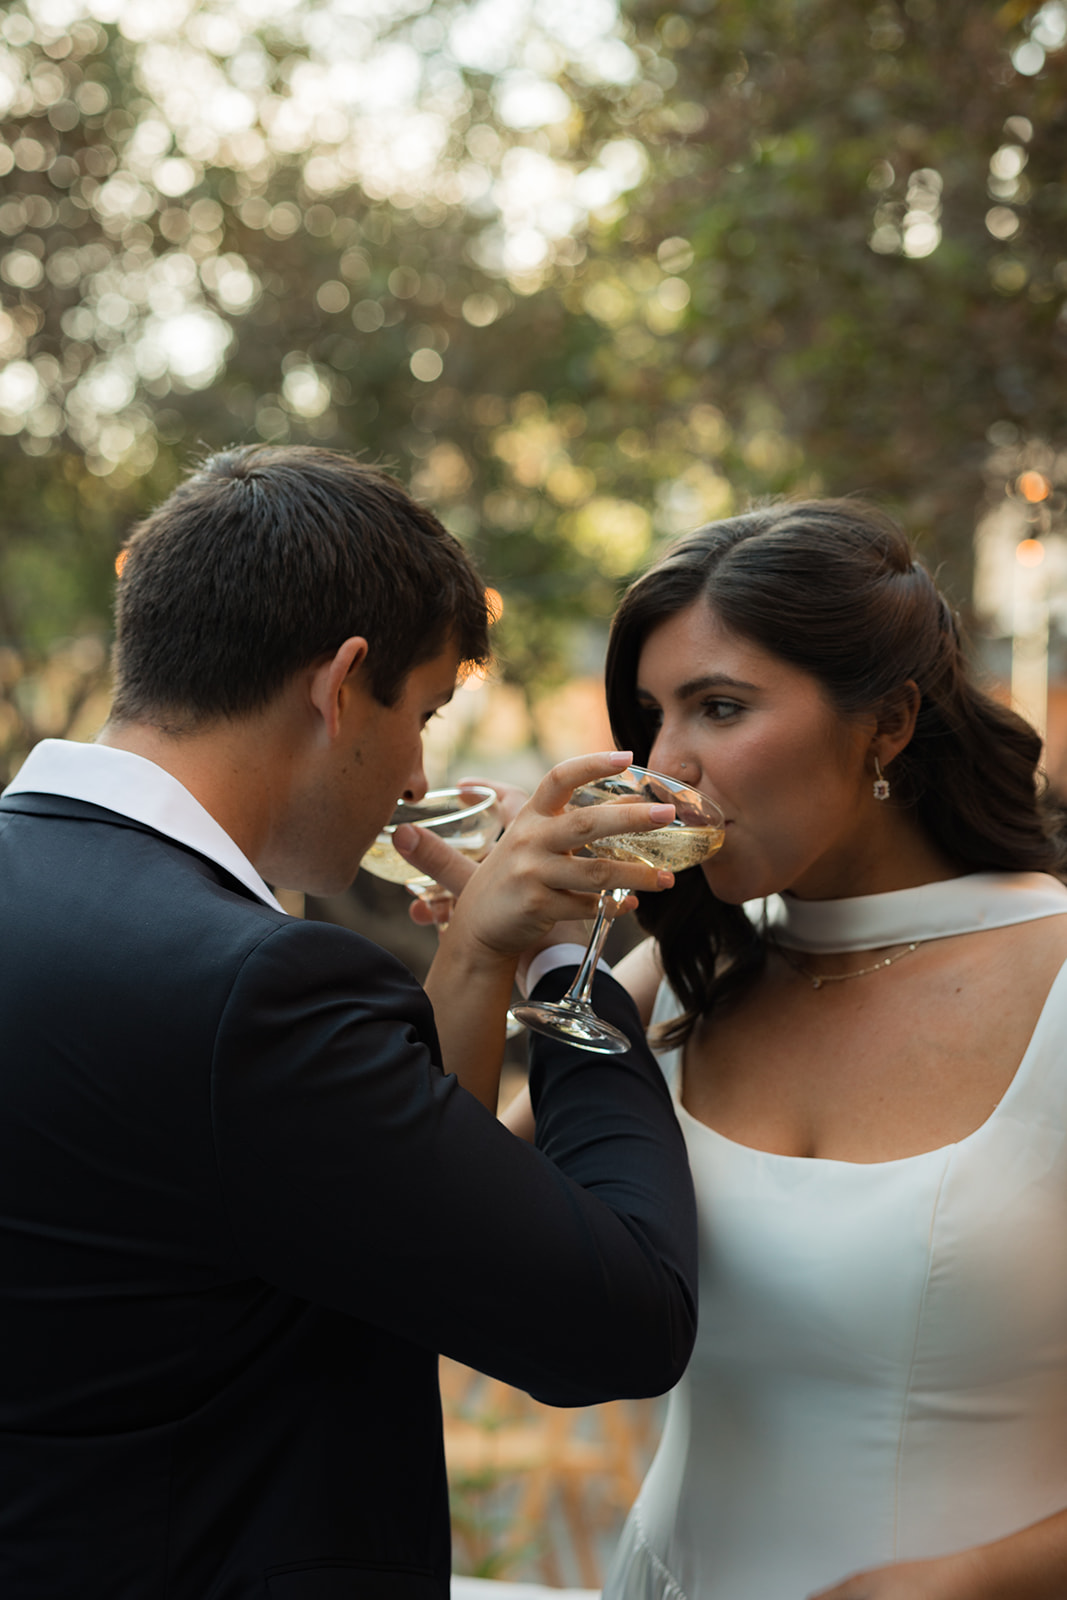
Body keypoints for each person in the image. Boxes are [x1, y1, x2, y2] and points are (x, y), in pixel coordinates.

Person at [0, 444, 699, 1600]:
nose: (415, 770)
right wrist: (568, 948)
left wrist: (475, 949)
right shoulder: (254, 992)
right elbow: (619, 1318)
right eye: (420, 712)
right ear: (340, 685)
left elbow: (372, 1208)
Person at [497, 498, 1067, 1599]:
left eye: (718, 707)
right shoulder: (679, 978)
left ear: (887, 722)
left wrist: (963, 1581)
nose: (667, 767)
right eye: (650, 718)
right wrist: (490, 955)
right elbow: (438, 1230)